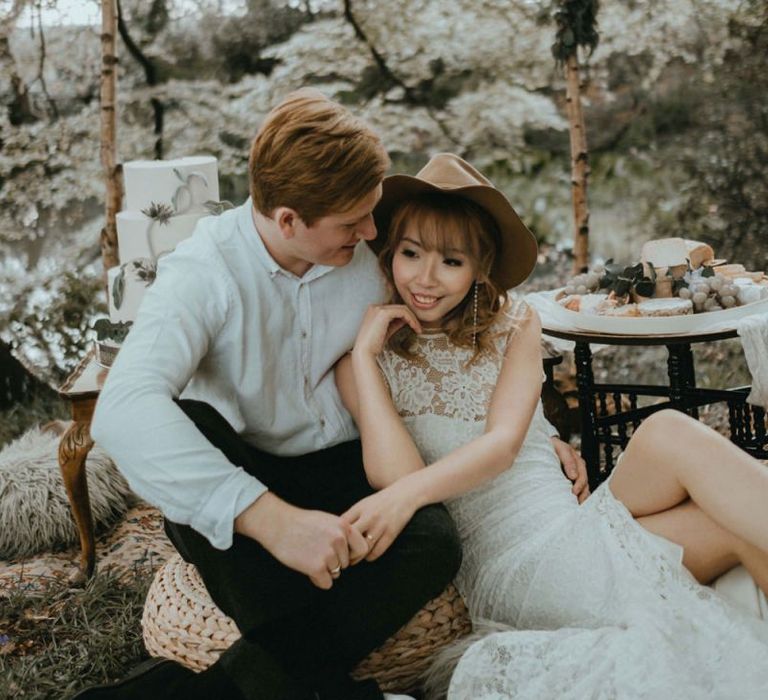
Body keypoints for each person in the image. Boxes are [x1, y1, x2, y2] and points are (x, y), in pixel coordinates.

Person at [78, 91, 585, 700]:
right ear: (289, 219)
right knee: (191, 428)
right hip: (248, 466)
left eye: (372, 218)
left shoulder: (367, 251)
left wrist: (538, 436)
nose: (373, 232)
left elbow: (466, 333)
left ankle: (230, 687)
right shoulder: (202, 273)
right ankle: (319, 683)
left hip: (348, 466)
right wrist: (272, 521)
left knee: (433, 542)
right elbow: (123, 407)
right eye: (354, 223)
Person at [334, 153, 768, 700]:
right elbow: (396, 476)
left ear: (478, 268)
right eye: (411, 254)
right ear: (389, 253)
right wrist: (366, 359)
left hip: (576, 525)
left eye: (451, 261)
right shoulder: (364, 360)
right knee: (678, 442)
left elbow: (501, 446)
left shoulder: (513, 323)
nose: (424, 278)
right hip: (519, 569)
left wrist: (550, 441)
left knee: (689, 461)